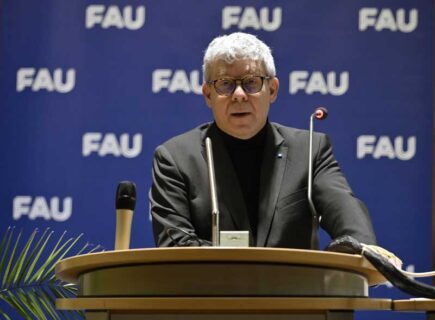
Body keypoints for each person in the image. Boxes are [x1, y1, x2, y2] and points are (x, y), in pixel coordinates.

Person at [149, 32, 376, 248]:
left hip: (294, 288)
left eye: (251, 82)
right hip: (213, 288)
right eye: (225, 83)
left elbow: (352, 227)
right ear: (208, 95)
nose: (239, 95)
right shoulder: (175, 158)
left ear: (273, 90)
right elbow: (176, 246)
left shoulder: (309, 151)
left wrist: (359, 250)